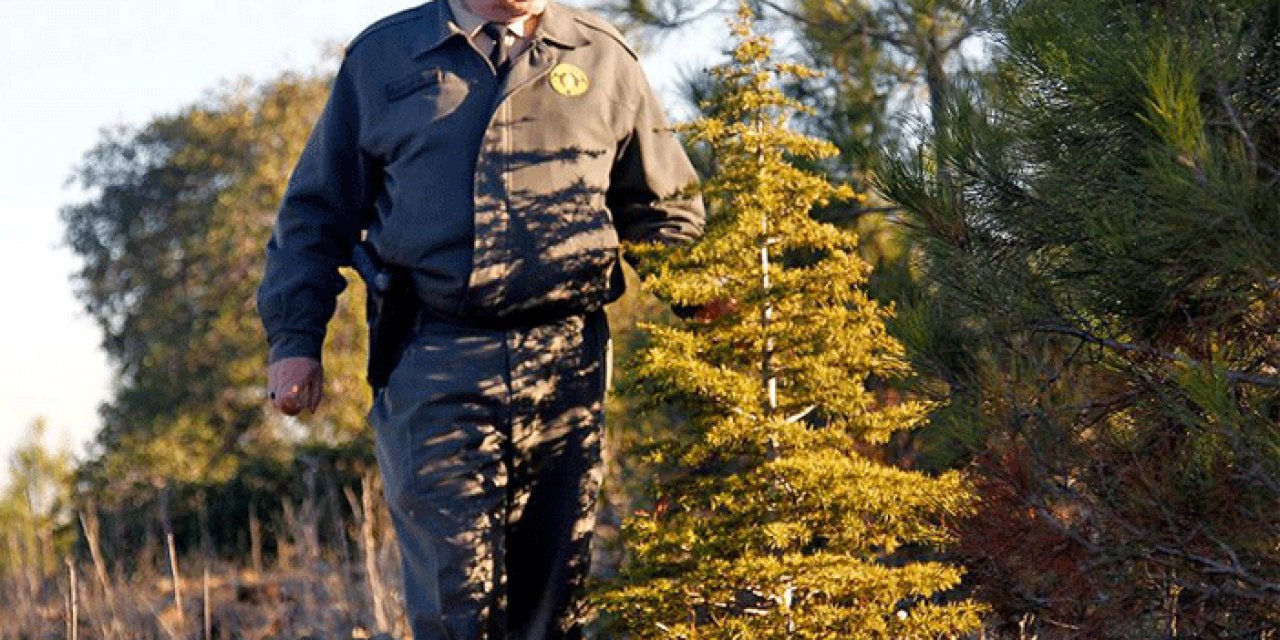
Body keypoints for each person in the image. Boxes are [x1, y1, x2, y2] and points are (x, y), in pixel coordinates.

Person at [256, 0, 705, 636]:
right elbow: (314, 216)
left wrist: (713, 308)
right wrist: (295, 340)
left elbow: (664, 210)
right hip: (434, 354)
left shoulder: (604, 55)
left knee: (552, 603)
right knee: (456, 599)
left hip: (567, 360)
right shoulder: (385, 56)